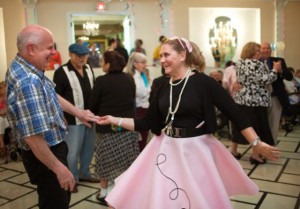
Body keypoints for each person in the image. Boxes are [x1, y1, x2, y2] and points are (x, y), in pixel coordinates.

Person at [97, 37, 280, 209]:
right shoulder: (162, 85)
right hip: (165, 149)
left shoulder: (204, 83)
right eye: (161, 56)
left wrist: (256, 142)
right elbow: (147, 122)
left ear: (183, 55)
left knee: (195, 200)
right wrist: (114, 119)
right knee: (159, 198)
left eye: (167, 55)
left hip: (196, 150)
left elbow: (235, 113)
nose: (162, 60)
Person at [5, 25, 100, 209]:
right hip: (46, 154)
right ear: (31, 48)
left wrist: (78, 112)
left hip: (49, 150)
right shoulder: (28, 82)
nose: (54, 52)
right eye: (49, 47)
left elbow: (50, 94)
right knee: (55, 202)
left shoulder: (27, 68)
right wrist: (59, 169)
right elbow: (33, 137)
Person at [89, 51, 140, 206]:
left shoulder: (101, 81)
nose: (101, 64)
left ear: (108, 65)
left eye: (103, 61)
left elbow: (93, 105)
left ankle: (104, 192)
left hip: (106, 128)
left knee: (104, 160)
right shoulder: (129, 79)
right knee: (127, 161)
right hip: (126, 126)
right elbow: (132, 99)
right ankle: (124, 191)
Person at [53, 43, 99, 193]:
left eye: (84, 55)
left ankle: (84, 173)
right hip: (72, 120)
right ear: (71, 54)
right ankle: (72, 180)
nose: (82, 58)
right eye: (79, 56)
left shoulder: (88, 68)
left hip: (90, 117)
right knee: (72, 153)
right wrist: (61, 117)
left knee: (88, 149)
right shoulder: (61, 72)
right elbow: (55, 97)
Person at [233, 42, 280, 164]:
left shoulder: (239, 63)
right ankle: (255, 155)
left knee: (240, 126)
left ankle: (233, 151)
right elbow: (265, 80)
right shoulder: (257, 64)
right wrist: (275, 70)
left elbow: (239, 80)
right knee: (257, 128)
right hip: (256, 101)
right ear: (251, 52)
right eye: (258, 51)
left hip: (241, 99)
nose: (260, 53)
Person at [260, 42, 293, 143]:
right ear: (260, 50)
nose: (266, 50)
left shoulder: (279, 60)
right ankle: (261, 148)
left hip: (275, 97)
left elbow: (290, 77)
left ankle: (272, 147)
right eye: (263, 48)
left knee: (274, 125)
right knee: (260, 124)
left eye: (268, 48)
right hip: (259, 99)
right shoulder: (255, 61)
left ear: (271, 50)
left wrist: (280, 70)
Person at [126, 52, 151, 151]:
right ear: (135, 64)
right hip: (136, 111)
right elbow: (138, 94)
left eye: (146, 62)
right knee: (137, 142)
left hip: (145, 111)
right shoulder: (131, 77)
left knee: (143, 141)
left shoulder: (143, 76)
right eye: (143, 62)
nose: (145, 65)